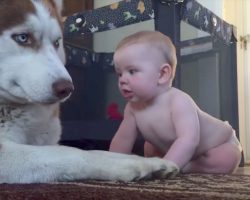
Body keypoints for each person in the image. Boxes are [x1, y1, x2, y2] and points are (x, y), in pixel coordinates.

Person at [109, 30, 242, 174]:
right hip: (170, 148)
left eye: (132, 71)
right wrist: (112, 163)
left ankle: (182, 166)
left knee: (227, 158)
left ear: (162, 74)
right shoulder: (132, 108)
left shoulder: (178, 101)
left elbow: (189, 140)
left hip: (216, 144)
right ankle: (176, 163)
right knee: (149, 147)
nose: (122, 80)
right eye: (120, 73)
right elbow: (123, 139)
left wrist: (165, 166)